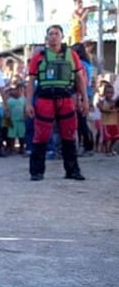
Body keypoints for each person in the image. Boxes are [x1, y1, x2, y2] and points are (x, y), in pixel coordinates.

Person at [26, 24, 89, 181]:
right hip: (45, 99)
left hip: (66, 98)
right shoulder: (38, 57)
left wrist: (84, 99)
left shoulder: (72, 55)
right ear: (46, 38)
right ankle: (36, 172)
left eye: (56, 33)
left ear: (62, 36)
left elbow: (79, 78)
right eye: (51, 34)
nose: (53, 36)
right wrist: (28, 103)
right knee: (41, 135)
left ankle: (72, 171)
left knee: (69, 134)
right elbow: (31, 81)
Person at [96, 83, 118, 155]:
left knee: (115, 137)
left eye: (111, 92)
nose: (110, 94)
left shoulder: (114, 102)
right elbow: (102, 109)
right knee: (107, 138)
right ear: (104, 93)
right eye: (108, 92)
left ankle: (110, 148)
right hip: (106, 123)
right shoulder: (102, 101)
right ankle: (107, 150)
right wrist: (111, 110)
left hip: (113, 122)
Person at [6, 81, 26, 155]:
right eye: (19, 90)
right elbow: (7, 111)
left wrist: (25, 116)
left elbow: (25, 108)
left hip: (21, 121)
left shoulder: (23, 99)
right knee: (11, 136)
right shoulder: (10, 101)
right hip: (13, 121)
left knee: (22, 136)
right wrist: (9, 119)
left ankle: (22, 148)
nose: (20, 92)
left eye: (22, 90)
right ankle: (11, 148)